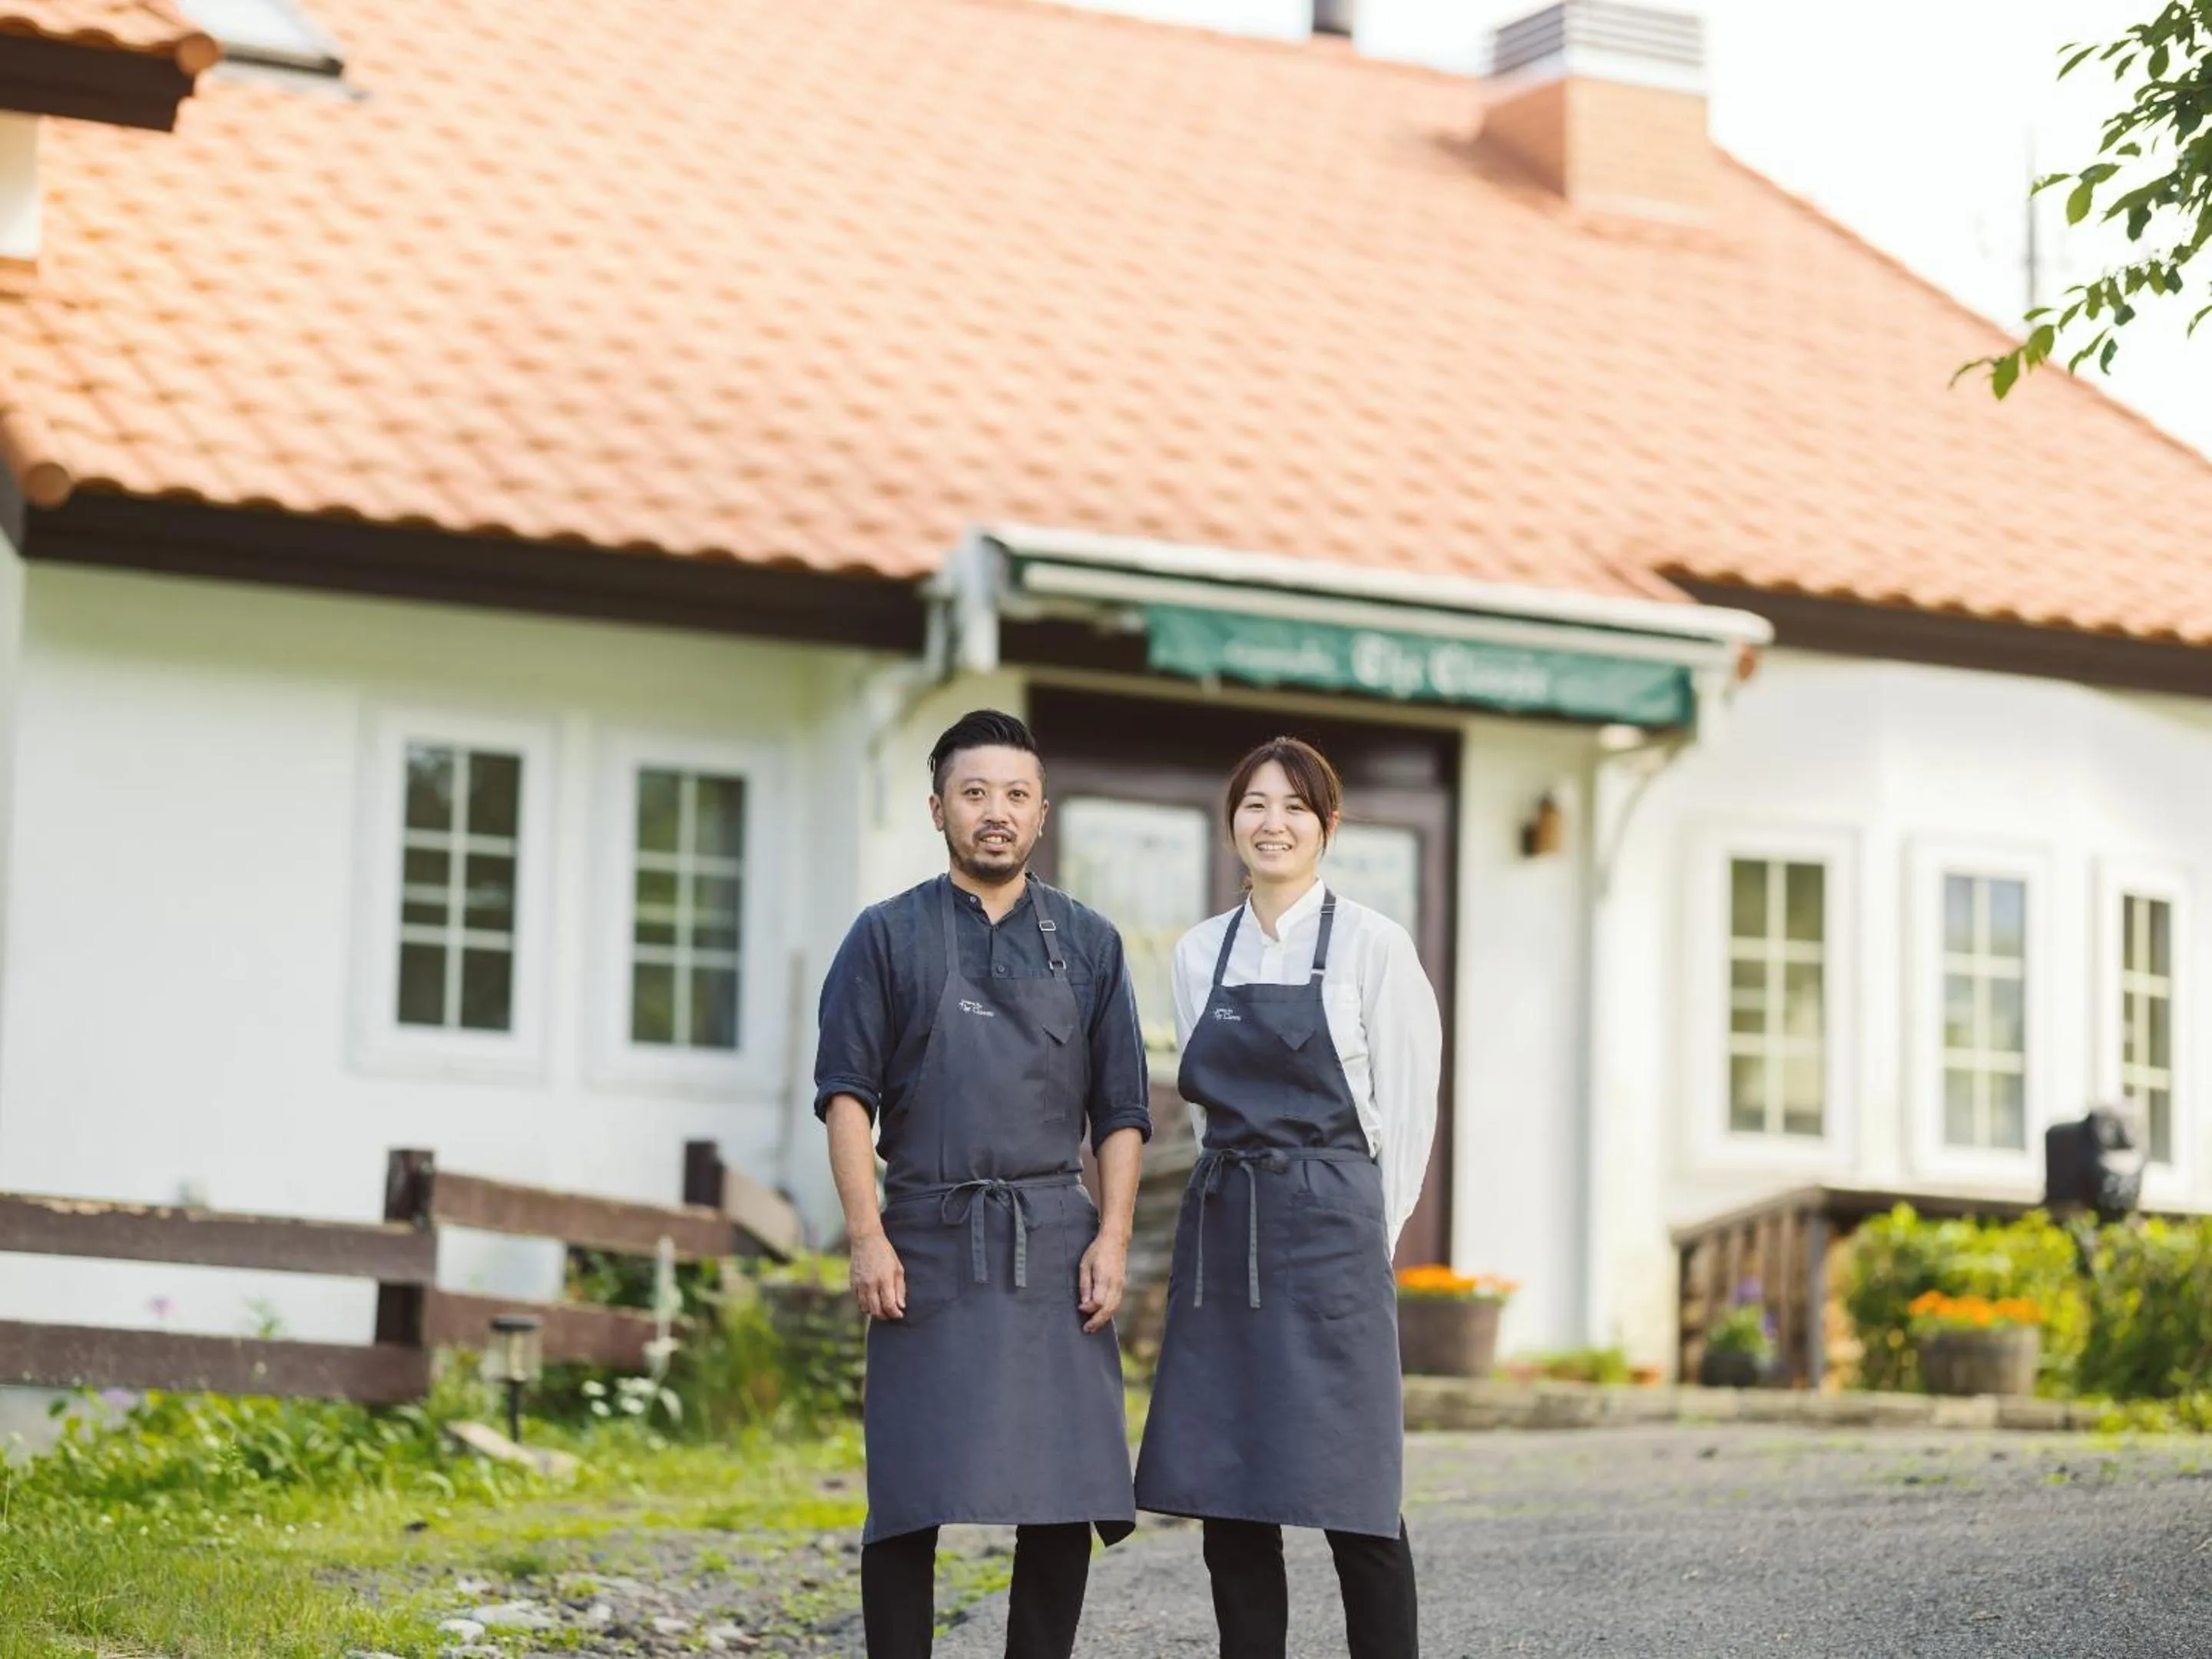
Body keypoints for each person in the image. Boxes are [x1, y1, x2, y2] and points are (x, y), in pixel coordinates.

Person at [815, 708, 1151, 1659]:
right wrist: (866, 1234)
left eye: (1014, 794)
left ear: (1041, 813)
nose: (994, 812)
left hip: (1055, 1241)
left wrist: (1112, 1238)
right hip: (924, 1239)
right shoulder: (884, 937)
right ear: (937, 809)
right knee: (910, 1492)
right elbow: (845, 1096)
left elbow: (1122, 1110)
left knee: (1061, 1489)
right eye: (974, 793)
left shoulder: (1091, 942)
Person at [1134, 735, 1443, 1659]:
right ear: (1233, 824)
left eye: (1294, 807)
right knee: (1232, 1490)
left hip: (1337, 1237)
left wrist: (1366, 1245)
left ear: (1328, 826)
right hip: (1230, 1230)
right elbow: (1204, 1112)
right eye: (1255, 805)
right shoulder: (1198, 955)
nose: (1274, 824)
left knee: (1359, 1494)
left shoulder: (1373, 945)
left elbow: (1410, 1110)